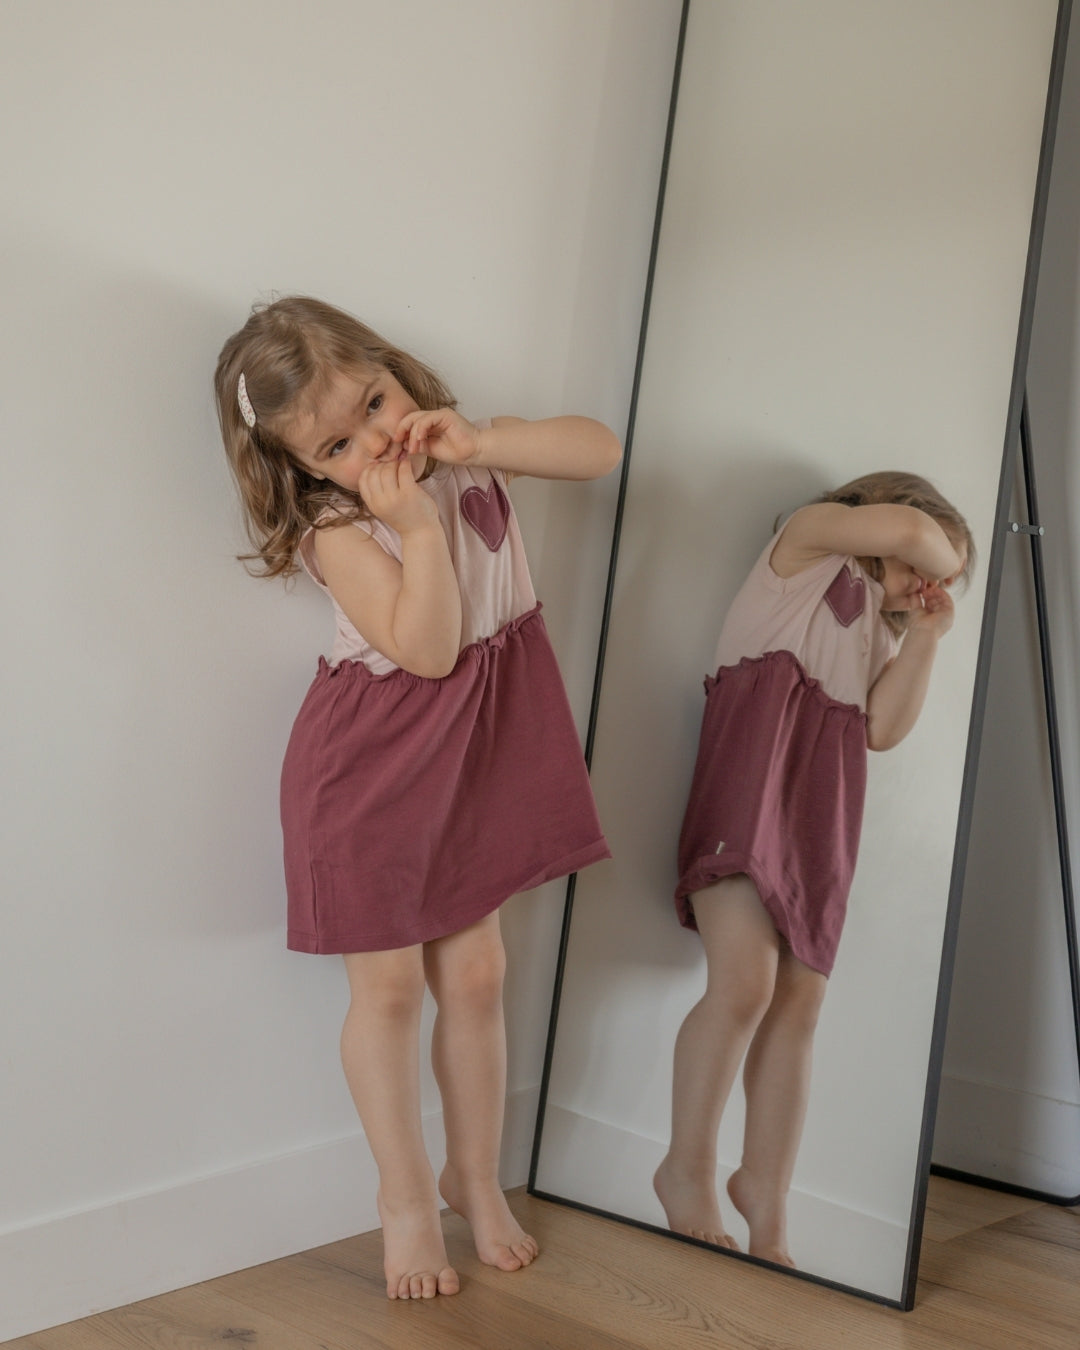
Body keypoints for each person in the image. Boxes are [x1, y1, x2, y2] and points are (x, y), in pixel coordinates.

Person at [214, 296, 620, 1301]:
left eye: (376, 403)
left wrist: (480, 437)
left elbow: (599, 449)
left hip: (477, 754)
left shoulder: (471, 453)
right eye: (338, 444)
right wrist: (419, 531)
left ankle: (473, 1178)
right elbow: (430, 650)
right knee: (389, 992)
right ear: (309, 469)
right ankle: (404, 1197)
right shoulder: (343, 529)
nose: (375, 442)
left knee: (478, 974)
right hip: (376, 771)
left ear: (400, 373)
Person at [653, 472, 973, 1268]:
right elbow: (905, 536)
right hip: (750, 787)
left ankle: (767, 1189)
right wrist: (945, 552)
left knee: (801, 1001)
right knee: (744, 984)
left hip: (819, 817)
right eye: (929, 561)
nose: (928, 579)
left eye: (940, 577)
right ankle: (684, 1167)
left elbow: (882, 730)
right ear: (882, 511)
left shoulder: (882, 633)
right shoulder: (806, 545)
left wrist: (927, 634)